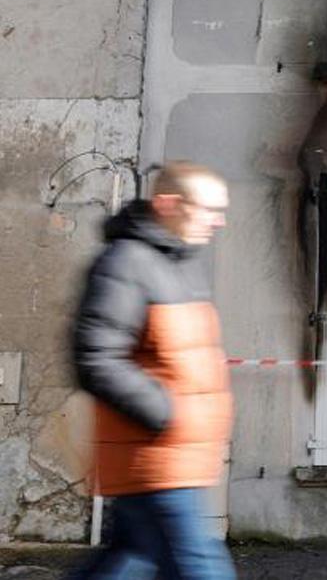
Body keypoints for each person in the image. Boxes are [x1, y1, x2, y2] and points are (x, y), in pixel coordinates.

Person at [70, 161, 235, 579]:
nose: (218, 222)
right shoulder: (125, 263)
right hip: (157, 456)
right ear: (167, 203)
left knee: (129, 561)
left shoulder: (175, 266)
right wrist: (166, 414)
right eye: (207, 208)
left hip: (175, 455)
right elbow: (96, 357)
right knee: (202, 569)